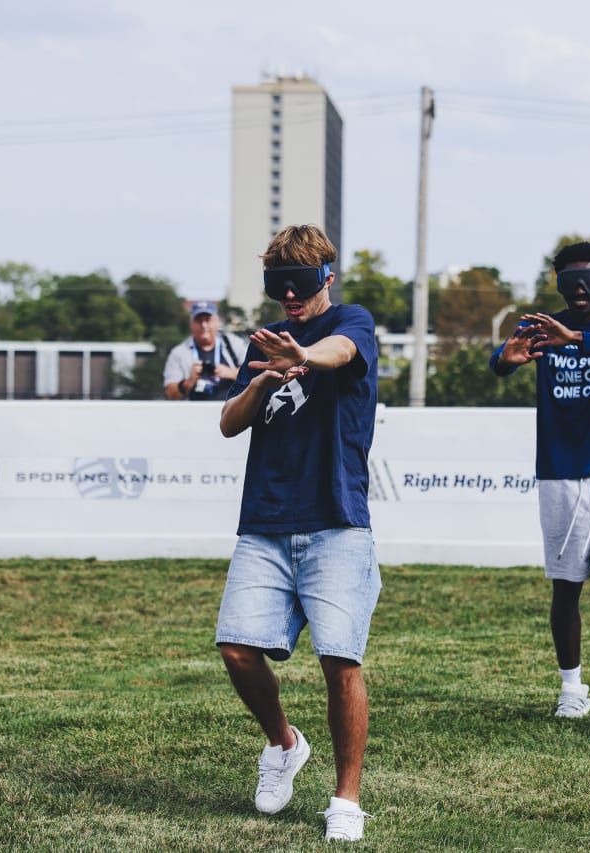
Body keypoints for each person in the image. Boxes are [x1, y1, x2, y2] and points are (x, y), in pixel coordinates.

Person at [216, 224, 380, 842]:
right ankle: (284, 744)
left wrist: (303, 357)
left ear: (326, 280)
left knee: (340, 660)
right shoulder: (259, 344)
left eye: (301, 284)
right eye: (278, 285)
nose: (289, 296)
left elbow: (340, 352)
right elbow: (230, 424)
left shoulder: (352, 322)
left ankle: (345, 799)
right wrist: (260, 379)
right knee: (236, 648)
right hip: (265, 521)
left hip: (336, 523)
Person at [489, 240, 590, 739]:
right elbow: (502, 358)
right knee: (566, 587)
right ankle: (571, 690)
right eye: (569, 280)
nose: (581, 289)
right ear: (557, 282)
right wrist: (506, 358)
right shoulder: (538, 326)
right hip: (559, 474)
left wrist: (577, 339)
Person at [162, 301, 248, 401]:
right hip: (193, 411)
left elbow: (256, 375)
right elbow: (170, 394)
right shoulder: (178, 353)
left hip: (232, 410)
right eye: (198, 320)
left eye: (208, 320)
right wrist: (189, 382)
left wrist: (231, 373)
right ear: (191, 324)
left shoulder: (234, 344)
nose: (204, 325)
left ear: (217, 322)